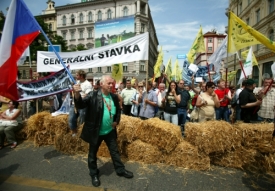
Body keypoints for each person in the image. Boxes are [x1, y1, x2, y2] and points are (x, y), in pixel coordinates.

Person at [73, 75, 133, 187]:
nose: (111, 85)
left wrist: (116, 121)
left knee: (114, 152)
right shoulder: (93, 95)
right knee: (92, 154)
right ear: (101, 84)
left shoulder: (114, 97)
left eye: (112, 83)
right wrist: (76, 94)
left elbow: (118, 111)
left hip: (110, 131)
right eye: (109, 83)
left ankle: (120, 170)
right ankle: (94, 174)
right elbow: (80, 105)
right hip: (96, 132)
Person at [69, 70, 92, 136]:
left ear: (81, 76)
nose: (76, 76)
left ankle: (81, 133)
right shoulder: (76, 82)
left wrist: (79, 96)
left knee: (82, 119)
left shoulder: (88, 84)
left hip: (83, 105)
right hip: (75, 103)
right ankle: (74, 133)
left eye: (77, 75)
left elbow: (87, 95)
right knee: (71, 119)